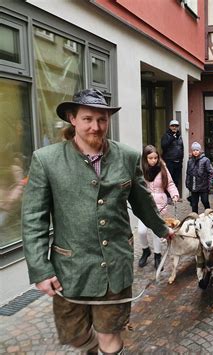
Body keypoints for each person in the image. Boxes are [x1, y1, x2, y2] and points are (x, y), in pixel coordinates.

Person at [21, 89, 174, 354]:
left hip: (115, 265)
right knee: (74, 335)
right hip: (71, 269)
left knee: (109, 336)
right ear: (73, 119)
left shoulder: (126, 156)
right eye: (88, 119)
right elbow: (33, 218)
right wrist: (40, 269)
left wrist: (163, 230)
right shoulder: (46, 160)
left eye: (102, 119)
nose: (96, 126)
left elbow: (142, 201)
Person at [137, 145, 179, 269]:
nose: (154, 161)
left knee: (157, 232)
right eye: (150, 158)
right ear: (145, 159)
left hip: (160, 204)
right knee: (141, 231)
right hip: (144, 204)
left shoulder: (163, 168)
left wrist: (175, 194)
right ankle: (146, 250)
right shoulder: (140, 170)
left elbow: (170, 184)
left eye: (155, 158)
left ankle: (157, 255)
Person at [185, 142, 213, 213]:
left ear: (200, 150)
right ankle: (195, 219)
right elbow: (188, 173)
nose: (195, 152)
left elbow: (210, 173)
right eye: (194, 150)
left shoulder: (205, 160)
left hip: (203, 186)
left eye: (197, 150)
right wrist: (188, 183)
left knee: (205, 201)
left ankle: (209, 215)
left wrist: (210, 185)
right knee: (194, 204)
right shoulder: (190, 161)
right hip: (194, 186)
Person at [160, 120, 184, 188]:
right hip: (169, 162)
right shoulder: (166, 135)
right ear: (169, 127)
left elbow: (181, 148)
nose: (174, 127)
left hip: (178, 162)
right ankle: (168, 197)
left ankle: (174, 196)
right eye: (172, 126)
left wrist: (181, 160)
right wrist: (172, 138)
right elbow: (163, 146)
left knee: (176, 180)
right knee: (168, 180)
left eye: (176, 126)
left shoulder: (179, 136)